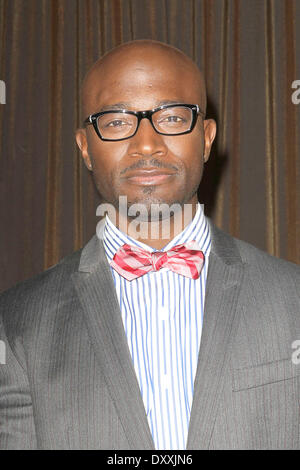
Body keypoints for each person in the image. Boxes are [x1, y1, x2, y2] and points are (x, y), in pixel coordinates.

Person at [0, 39, 299, 450]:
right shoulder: (16, 323)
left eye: (173, 118)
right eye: (117, 121)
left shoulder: (293, 299)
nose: (146, 145)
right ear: (85, 146)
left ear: (207, 137)